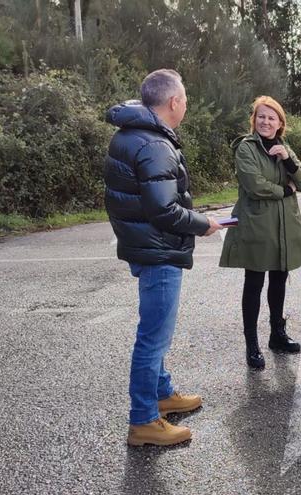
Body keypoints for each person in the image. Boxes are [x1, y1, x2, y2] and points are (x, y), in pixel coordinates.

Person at [104, 69, 224, 446]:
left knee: (154, 332)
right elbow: (164, 211)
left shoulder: (132, 135)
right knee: (153, 337)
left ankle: (162, 393)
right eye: (185, 98)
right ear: (174, 102)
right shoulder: (154, 143)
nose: (186, 104)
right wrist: (204, 223)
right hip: (158, 250)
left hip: (147, 245)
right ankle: (143, 421)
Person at [219, 96, 301, 369]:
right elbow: (254, 185)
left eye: (272, 118)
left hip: (284, 226)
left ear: (280, 123)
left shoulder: (285, 148)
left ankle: (277, 334)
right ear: (254, 120)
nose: (266, 121)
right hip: (257, 225)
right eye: (261, 116)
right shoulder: (246, 148)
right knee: (254, 283)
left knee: (279, 281)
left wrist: (290, 163)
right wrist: (284, 190)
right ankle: (252, 344)